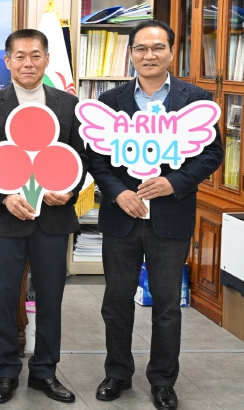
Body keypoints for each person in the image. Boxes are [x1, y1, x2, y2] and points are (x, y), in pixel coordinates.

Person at [87, 20, 223, 410]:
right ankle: (117, 373)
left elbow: (212, 154)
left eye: (158, 47)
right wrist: (118, 192)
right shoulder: (110, 101)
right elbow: (96, 158)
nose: (149, 55)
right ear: (131, 53)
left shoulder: (196, 99)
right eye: (141, 48)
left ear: (172, 52)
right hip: (122, 219)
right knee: (116, 302)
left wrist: (174, 183)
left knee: (166, 305)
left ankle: (163, 380)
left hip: (171, 217)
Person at [0, 29, 87, 405]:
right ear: (8, 62)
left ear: (47, 59)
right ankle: (6, 371)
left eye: (35, 55)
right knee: (5, 298)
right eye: (19, 56)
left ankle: (44, 372)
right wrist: (3, 198)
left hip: (53, 218)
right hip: (7, 220)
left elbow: (81, 158)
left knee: (51, 298)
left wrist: (70, 190)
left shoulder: (68, 104)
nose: (28, 63)